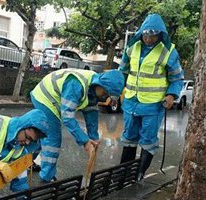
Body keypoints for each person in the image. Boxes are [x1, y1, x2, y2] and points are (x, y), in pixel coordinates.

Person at [118, 13, 184, 181]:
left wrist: (171, 95)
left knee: (148, 140)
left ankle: (139, 174)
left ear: (160, 34)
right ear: (142, 33)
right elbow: (122, 72)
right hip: (131, 101)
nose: (148, 39)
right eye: (146, 35)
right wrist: (115, 91)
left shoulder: (168, 52)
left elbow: (176, 78)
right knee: (129, 138)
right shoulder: (132, 48)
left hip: (153, 105)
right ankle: (123, 173)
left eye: (153, 35)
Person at [30, 68, 125, 182]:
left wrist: (93, 138)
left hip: (53, 98)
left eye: (108, 96)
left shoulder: (94, 90)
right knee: (52, 139)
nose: (105, 97)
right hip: (44, 98)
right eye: (105, 93)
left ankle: (26, 162)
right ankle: (46, 179)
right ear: (99, 84)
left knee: (42, 135)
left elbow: (91, 115)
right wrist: (84, 141)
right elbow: (68, 118)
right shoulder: (76, 84)